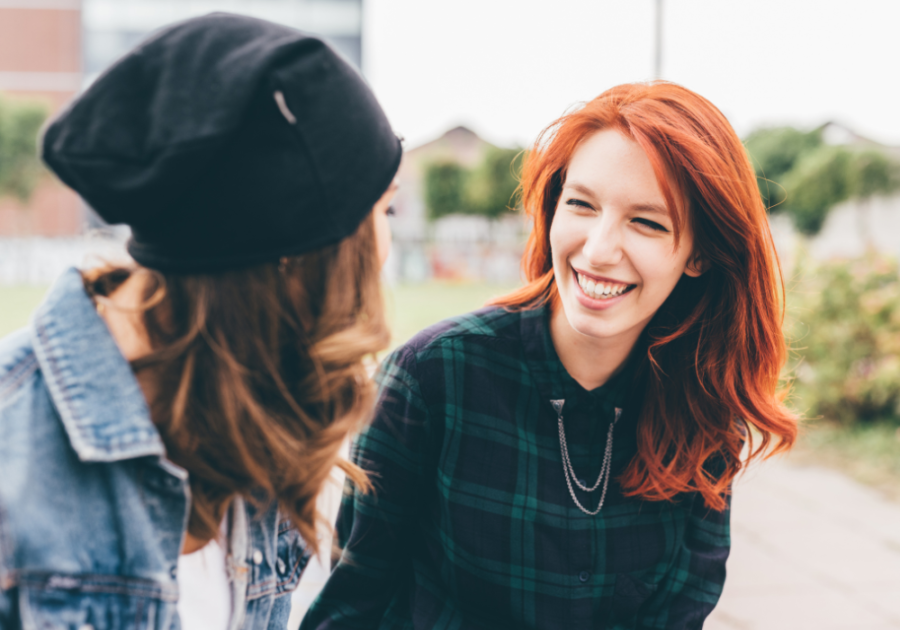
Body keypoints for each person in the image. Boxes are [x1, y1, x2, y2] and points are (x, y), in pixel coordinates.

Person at [302, 82, 798, 629]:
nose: (599, 249)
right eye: (581, 205)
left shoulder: (703, 410)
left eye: (647, 222)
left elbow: (678, 615)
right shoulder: (433, 377)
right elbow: (352, 606)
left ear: (700, 254)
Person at [0, 13, 401, 630]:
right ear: (294, 263)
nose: (387, 243)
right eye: (380, 209)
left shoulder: (261, 404)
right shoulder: (12, 459)